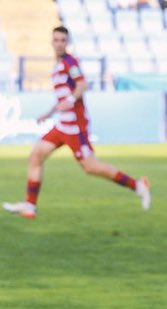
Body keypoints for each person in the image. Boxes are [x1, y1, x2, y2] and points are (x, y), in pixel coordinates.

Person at [3, 26, 150, 220]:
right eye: (56, 40)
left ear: (67, 42)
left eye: (63, 40)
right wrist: (48, 113)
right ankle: (30, 206)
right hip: (62, 125)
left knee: (91, 167)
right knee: (36, 156)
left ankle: (138, 185)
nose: (59, 43)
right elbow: (63, 97)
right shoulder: (57, 65)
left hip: (75, 127)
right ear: (51, 41)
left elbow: (82, 84)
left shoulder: (70, 62)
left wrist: (71, 101)